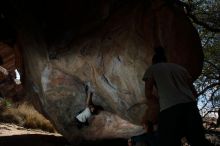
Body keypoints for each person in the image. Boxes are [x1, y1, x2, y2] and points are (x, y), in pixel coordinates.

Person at [142, 47, 214, 146]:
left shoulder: (152, 69)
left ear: (154, 62)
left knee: (168, 142)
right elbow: (194, 92)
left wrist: (158, 102)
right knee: (199, 141)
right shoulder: (181, 69)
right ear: (165, 60)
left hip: (169, 109)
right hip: (190, 107)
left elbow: (148, 93)